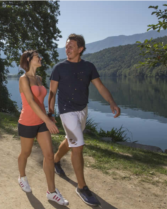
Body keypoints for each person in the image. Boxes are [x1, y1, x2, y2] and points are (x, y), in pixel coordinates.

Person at [48, 34, 121, 207]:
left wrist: (111, 102)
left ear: (80, 49)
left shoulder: (89, 67)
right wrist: (50, 113)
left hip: (82, 110)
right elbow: (52, 92)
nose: (68, 49)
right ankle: (82, 187)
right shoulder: (59, 68)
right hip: (66, 111)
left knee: (71, 140)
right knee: (78, 146)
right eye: (66, 46)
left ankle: (55, 160)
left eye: (71, 46)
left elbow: (100, 87)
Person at [18, 50, 69, 206]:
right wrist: (47, 120)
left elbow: (41, 100)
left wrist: (49, 114)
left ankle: (52, 192)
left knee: (49, 155)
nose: (40, 58)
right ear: (28, 59)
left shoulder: (39, 78)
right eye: (37, 57)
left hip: (41, 122)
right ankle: (22, 177)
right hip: (27, 122)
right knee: (25, 153)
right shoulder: (23, 79)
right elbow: (31, 102)